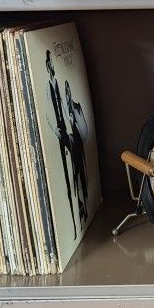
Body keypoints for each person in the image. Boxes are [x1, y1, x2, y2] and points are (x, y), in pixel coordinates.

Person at [45, 50, 76, 239]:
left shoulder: (57, 83)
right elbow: (48, 114)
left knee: (76, 171)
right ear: (47, 65)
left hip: (68, 132)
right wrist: (56, 131)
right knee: (66, 176)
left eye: (53, 64)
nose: (52, 67)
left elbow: (65, 107)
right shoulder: (47, 86)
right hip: (60, 134)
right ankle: (70, 223)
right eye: (49, 64)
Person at [65, 80, 90, 226]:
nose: (67, 95)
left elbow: (85, 132)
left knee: (82, 180)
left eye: (68, 91)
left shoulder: (76, 107)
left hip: (79, 149)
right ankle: (80, 209)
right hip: (71, 151)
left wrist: (74, 118)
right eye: (65, 92)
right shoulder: (62, 110)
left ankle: (85, 208)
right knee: (75, 180)